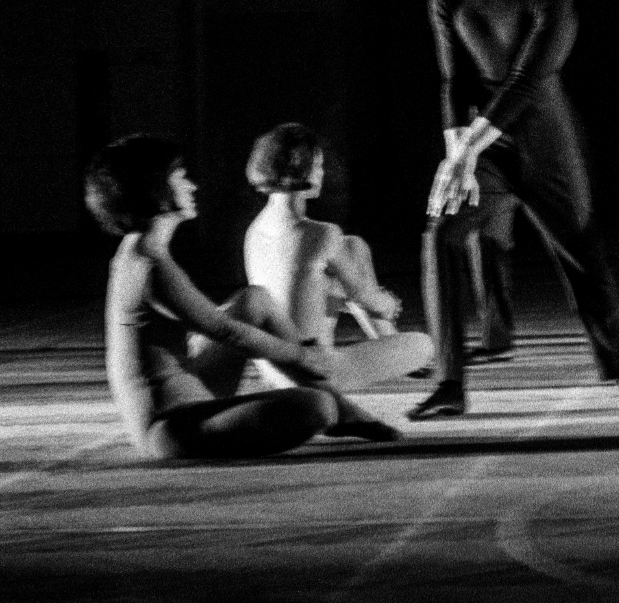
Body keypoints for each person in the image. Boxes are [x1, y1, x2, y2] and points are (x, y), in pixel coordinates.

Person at [413, 0, 619, 420]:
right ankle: (448, 383)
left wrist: (461, 157)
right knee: (441, 236)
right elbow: (453, 81)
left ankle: (614, 361)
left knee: (578, 244)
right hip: (484, 146)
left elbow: (527, 79)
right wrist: (459, 153)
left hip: (546, 138)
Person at [90, 133, 400, 460]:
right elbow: (225, 331)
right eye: (180, 178)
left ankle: (342, 407)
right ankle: (336, 404)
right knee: (317, 407)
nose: (192, 187)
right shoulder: (150, 263)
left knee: (256, 300)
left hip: (192, 393)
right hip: (172, 427)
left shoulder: (137, 251)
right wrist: (301, 356)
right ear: (155, 188)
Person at [242, 123, 433, 389]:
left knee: (353, 247)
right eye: (318, 166)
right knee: (424, 345)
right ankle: (388, 339)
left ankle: (386, 337)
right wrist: (386, 302)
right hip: (314, 372)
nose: (322, 173)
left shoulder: (253, 231)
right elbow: (371, 300)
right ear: (303, 168)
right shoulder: (322, 234)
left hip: (274, 370)